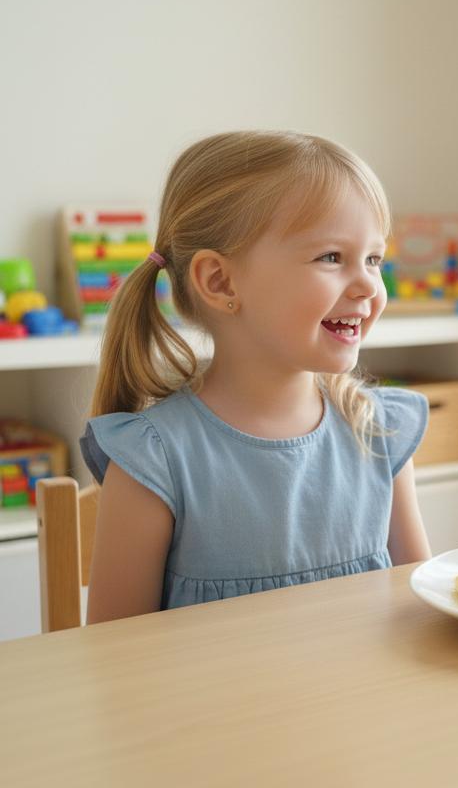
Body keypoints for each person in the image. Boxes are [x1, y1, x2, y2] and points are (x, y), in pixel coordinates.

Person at [82, 131, 430, 623]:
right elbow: (112, 662)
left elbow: (421, 610)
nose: (369, 286)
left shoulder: (380, 434)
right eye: (331, 257)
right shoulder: (153, 460)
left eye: (373, 259)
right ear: (220, 281)